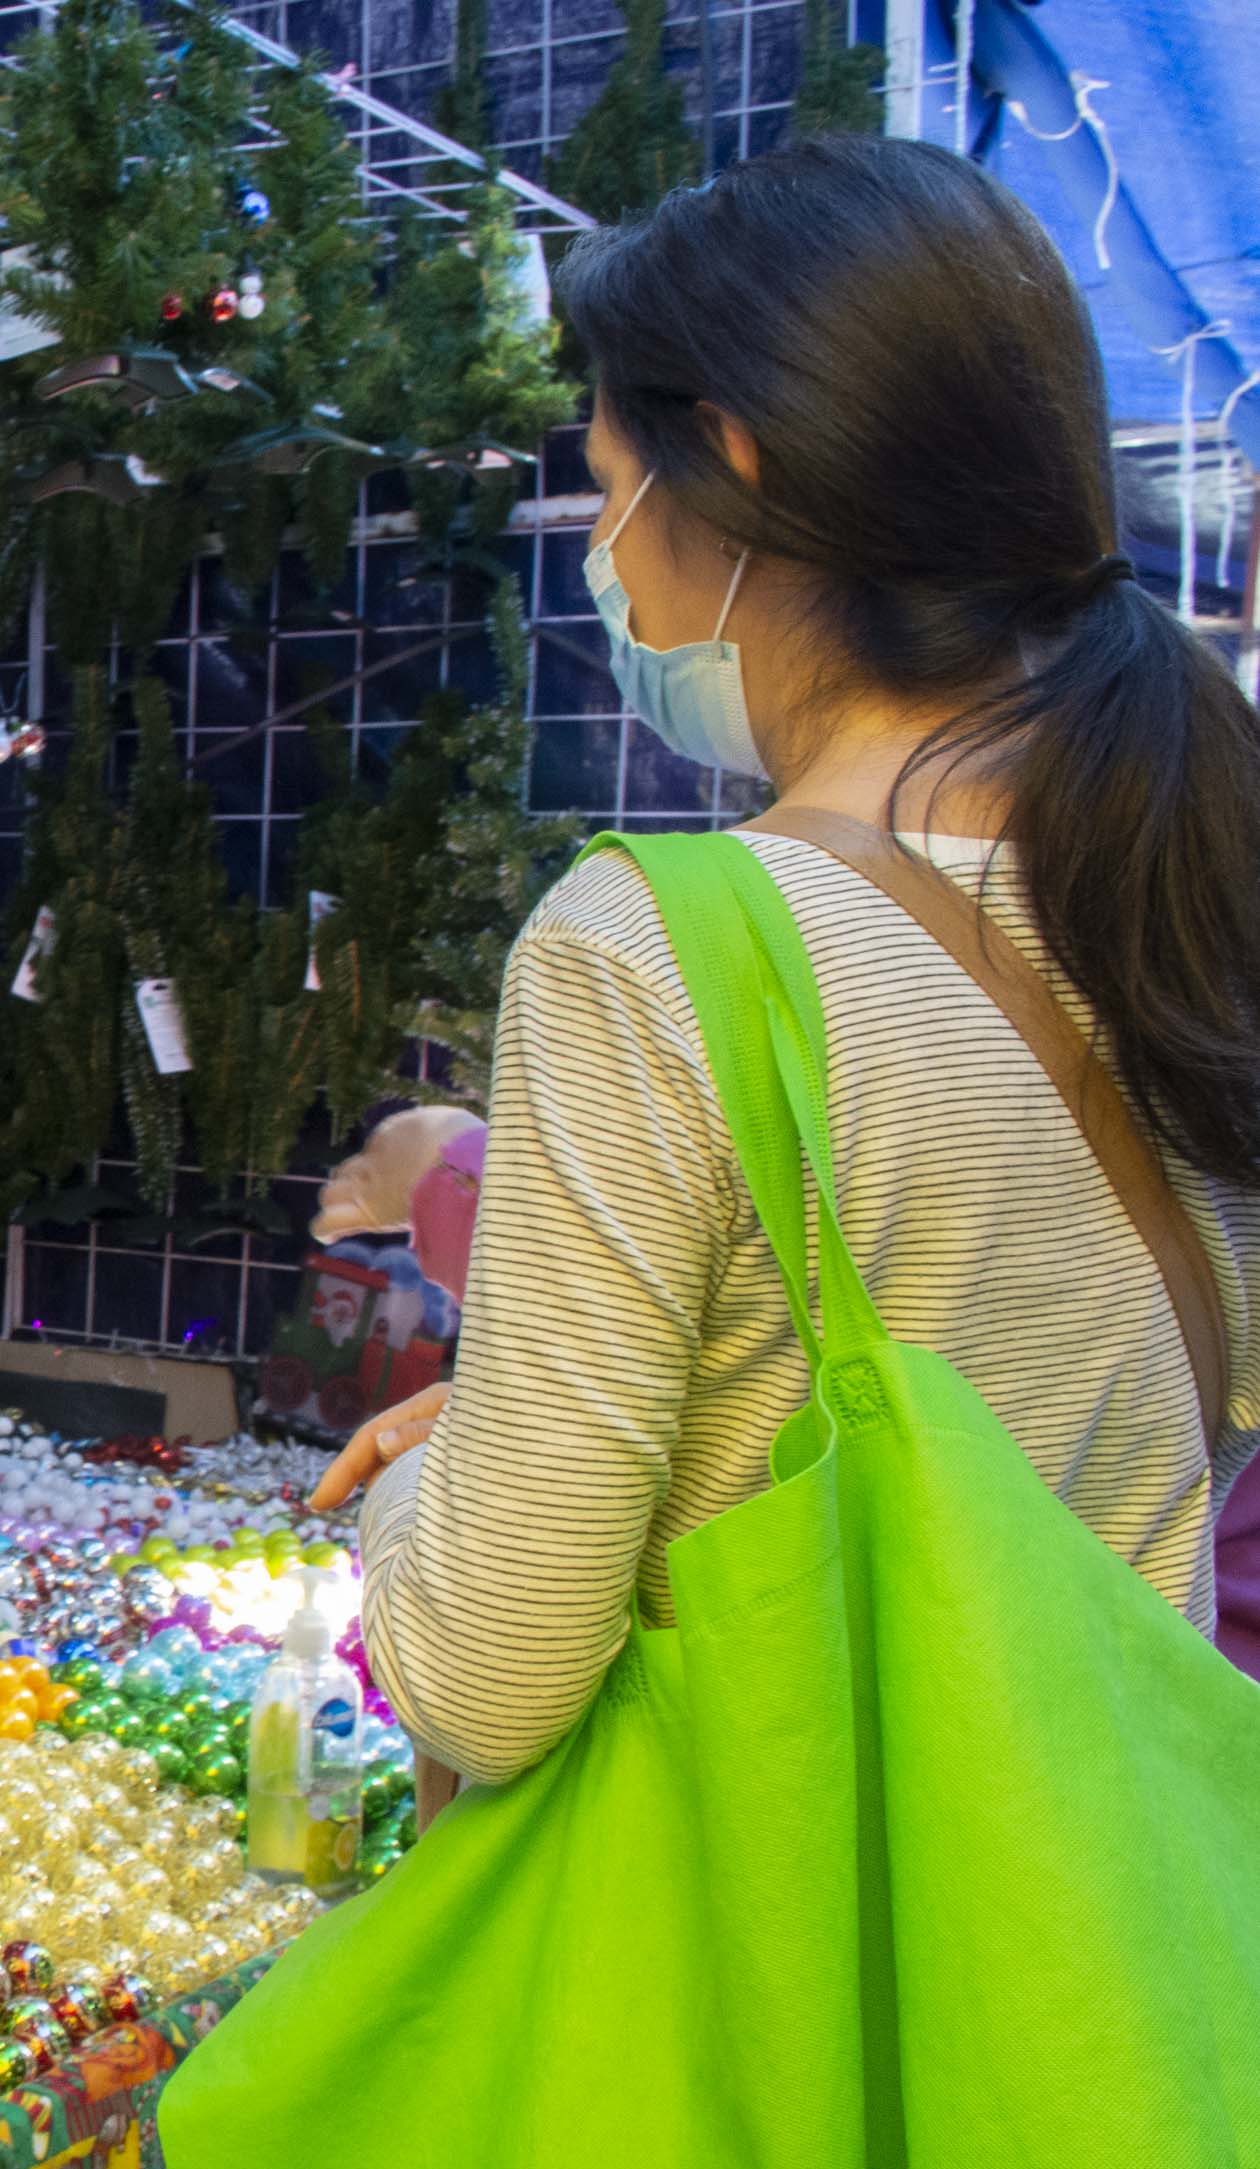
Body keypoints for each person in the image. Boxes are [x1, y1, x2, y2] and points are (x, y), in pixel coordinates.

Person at [308, 135, 1260, 1804]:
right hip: (1090, 1912)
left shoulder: (660, 945)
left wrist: (415, 1502)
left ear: (729, 462)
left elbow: (486, 1676)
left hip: (769, 1925)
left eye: (610, 486)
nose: (607, 550)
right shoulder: (1190, 894)